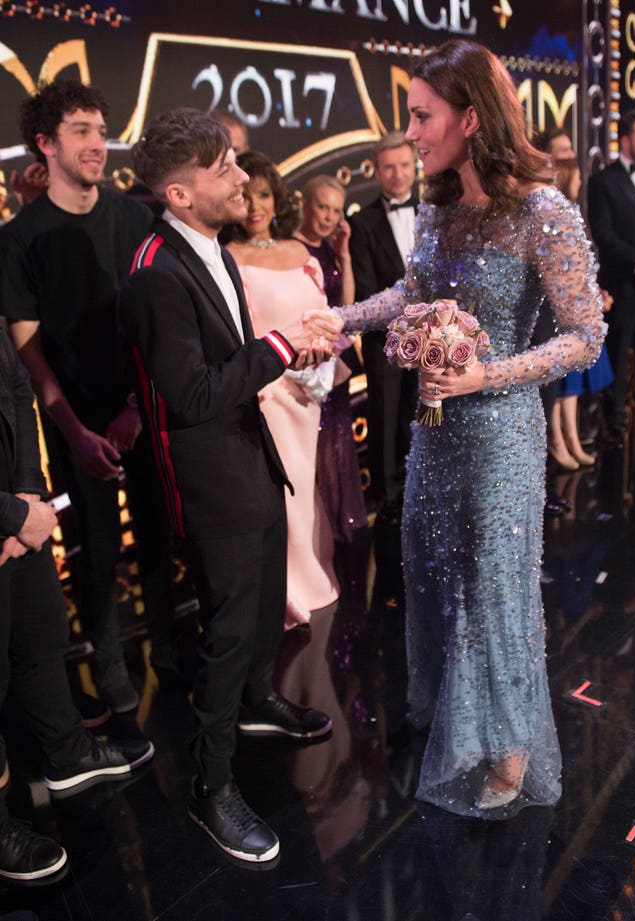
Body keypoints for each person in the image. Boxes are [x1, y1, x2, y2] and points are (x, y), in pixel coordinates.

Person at [336, 39, 604, 817]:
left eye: (422, 116)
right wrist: (339, 320)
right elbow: (409, 290)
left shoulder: (543, 213)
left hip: (501, 439)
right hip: (435, 434)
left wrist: (488, 373)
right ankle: (462, 723)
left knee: (495, 589)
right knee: (432, 572)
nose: (411, 132)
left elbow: (584, 337)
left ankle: (512, 748)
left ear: (470, 117)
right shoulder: (440, 205)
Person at [120, 109, 340, 863]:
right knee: (226, 632)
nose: (244, 178)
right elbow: (190, 394)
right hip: (213, 484)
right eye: (224, 169)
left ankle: (260, 701)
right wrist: (282, 346)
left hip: (252, 462)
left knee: (257, 617)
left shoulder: (208, 246)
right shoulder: (155, 271)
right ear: (180, 195)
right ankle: (211, 787)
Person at [0, 79, 178, 712]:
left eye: (101, 131)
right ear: (45, 144)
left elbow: (159, 323)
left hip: (145, 410)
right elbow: (28, 351)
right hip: (75, 423)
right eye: (82, 131)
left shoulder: (136, 217)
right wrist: (72, 428)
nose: (98, 144)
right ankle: (108, 664)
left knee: (157, 535)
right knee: (97, 550)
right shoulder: (21, 239)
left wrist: (137, 404)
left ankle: (169, 650)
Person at [0, 318, 153, 883]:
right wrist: (14, 517)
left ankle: (67, 756)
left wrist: (27, 497)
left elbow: (16, 386)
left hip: (20, 513)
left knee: (42, 637)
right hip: (11, 519)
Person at [224, 152, 341, 627]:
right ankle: (285, 589)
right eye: (244, 195)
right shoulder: (228, 258)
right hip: (267, 396)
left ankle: (309, 576)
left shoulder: (301, 254)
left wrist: (321, 359)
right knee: (282, 496)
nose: (254, 205)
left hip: (309, 395)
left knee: (306, 491)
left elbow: (327, 318)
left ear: (277, 198)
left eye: (264, 194)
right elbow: (240, 336)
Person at [348, 131, 419, 526]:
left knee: (422, 415)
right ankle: (388, 499)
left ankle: (419, 486)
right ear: (377, 170)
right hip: (386, 340)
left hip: (432, 339)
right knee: (386, 419)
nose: (397, 175)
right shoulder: (362, 222)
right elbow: (365, 288)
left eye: (404, 165)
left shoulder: (434, 212)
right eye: (389, 167)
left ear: (415, 166)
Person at [295, 175, 367, 544]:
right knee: (312, 452)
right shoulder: (290, 250)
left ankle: (335, 534)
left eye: (335, 210)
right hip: (305, 368)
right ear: (306, 204)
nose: (327, 216)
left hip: (332, 368)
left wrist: (344, 256)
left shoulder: (330, 250)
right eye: (322, 206)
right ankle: (313, 537)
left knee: (337, 449)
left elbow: (346, 308)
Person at [548, 157, 613, 469]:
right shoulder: (554, 215)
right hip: (561, 307)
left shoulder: (573, 211)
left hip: (579, 302)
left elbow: (585, 261)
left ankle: (572, 439)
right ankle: (558, 441)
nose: (579, 184)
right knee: (561, 381)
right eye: (575, 178)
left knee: (572, 381)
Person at [588, 110, 635, 443]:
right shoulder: (603, 181)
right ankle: (615, 427)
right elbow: (603, 234)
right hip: (623, 283)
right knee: (619, 354)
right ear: (625, 140)